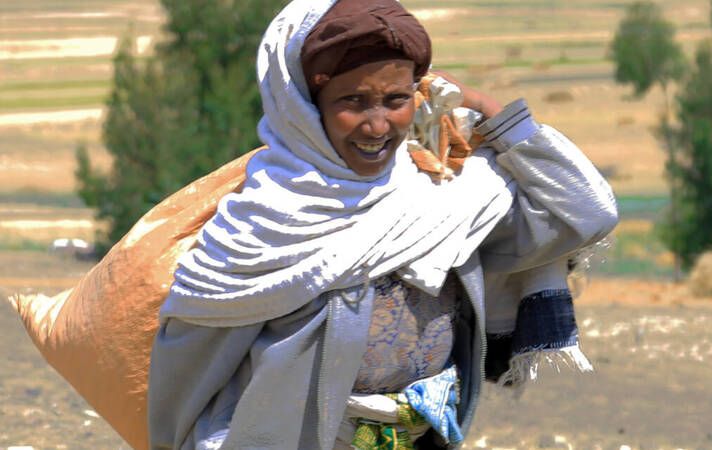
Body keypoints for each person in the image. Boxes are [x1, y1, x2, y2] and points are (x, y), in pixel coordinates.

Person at [147, 0, 618, 448]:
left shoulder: (447, 200)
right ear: (307, 109)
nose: (377, 126)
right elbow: (183, 389)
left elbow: (587, 212)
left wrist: (487, 108)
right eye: (353, 101)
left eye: (396, 99)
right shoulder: (258, 231)